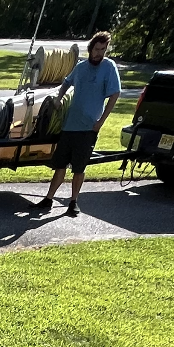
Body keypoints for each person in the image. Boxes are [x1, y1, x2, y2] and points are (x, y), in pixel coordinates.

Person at [35, 31, 122, 216]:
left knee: (79, 167)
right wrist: (58, 99)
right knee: (60, 165)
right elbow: (66, 82)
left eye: (103, 50)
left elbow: (115, 94)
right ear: (90, 49)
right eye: (97, 49)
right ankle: (48, 199)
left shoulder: (109, 67)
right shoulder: (81, 67)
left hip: (89, 128)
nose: (100, 53)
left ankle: (73, 202)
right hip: (70, 125)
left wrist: (101, 121)